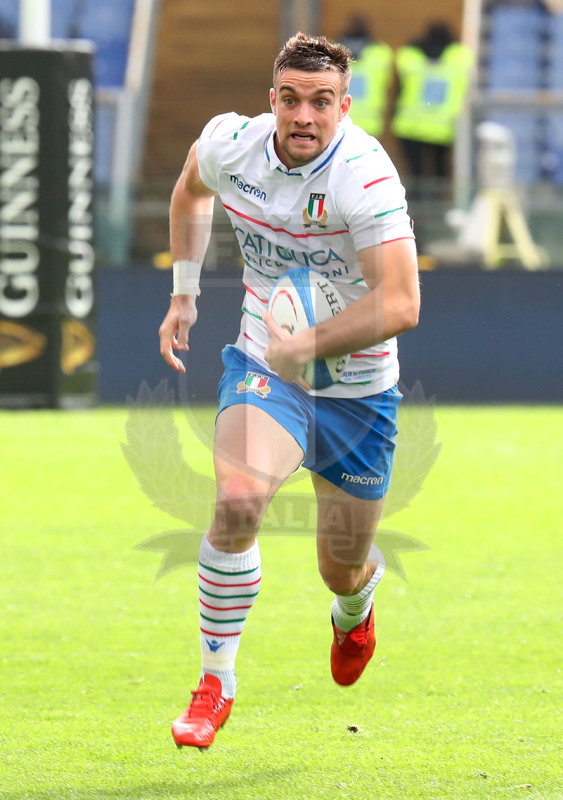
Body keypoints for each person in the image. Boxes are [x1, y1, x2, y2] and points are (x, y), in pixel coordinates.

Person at [158, 32, 419, 751]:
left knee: (339, 567)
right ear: (271, 98)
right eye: (290, 99)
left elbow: (400, 303)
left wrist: (306, 344)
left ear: (343, 106)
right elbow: (189, 190)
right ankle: (215, 684)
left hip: (357, 392)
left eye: (321, 102)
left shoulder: (363, 177)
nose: (304, 116)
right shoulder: (231, 146)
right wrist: (184, 296)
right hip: (263, 369)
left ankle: (354, 607)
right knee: (238, 502)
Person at [391, 22, 474, 181]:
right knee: (439, 176)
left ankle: (417, 204)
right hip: (444, 128)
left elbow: (398, 90)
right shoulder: (460, 57)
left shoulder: (410, 57)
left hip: (411, 125)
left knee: (416, 175)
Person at [340, 14, 393, 140]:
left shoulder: (332, 52)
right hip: (370, 123)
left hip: (338, 120)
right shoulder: (382, 54)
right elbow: (387, 84)